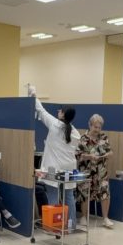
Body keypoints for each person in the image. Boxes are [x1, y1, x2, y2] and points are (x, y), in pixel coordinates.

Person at [29, 86, 81, 229]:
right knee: (69, 196)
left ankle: (54, 226)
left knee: (53, 195)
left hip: (54, 169)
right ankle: (71, 225)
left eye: (60, 110)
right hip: (69, 169)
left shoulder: (55, 125)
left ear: (63, 114)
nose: (58, 112)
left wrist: (33, 95)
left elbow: (41, 110)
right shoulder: (75, 133)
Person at [78, 114, 115, 229]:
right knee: (85, 193)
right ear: (90, 125)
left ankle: (105, 218)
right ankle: (83, 217)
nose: (97, 130)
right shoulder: (83, 138)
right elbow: (78, 155)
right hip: (87, 171)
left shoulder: (104, 137)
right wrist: (89, 156)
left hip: (101, 171)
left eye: (99, 127)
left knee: (105, 192)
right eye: (95, 127)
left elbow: (110, 151)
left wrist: (108, 154)